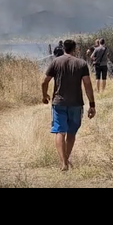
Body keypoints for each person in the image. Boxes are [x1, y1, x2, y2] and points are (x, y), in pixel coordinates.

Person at [41, 39, 95, 171]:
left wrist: (44, 95)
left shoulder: (56, 62)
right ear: (75, 49)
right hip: (76, 104)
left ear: (63, 48)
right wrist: (92, 104)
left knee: (60, 131)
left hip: (58, 102)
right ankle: (66, 159)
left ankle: (64, 162)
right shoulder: (81, 64)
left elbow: (44, 81)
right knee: (71, 133)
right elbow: (87, 84)